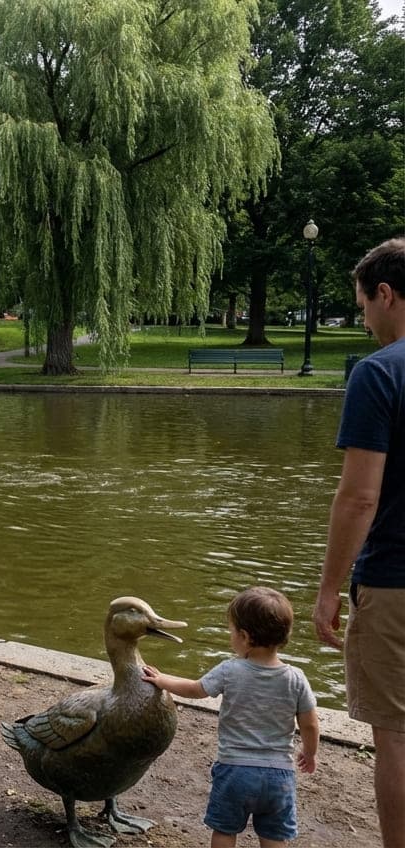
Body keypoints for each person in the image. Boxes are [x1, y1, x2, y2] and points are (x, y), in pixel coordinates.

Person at [313, 236, 405, 848]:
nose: (365, 319)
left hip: (396, 581)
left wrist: (326, 592)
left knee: (396, 733)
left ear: (386, 294)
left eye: (364, 305)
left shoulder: (378, 374)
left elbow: (358, 499)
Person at [143, 587, 319, 848]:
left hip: (235, 771)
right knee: (274, 835)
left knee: (225, 830)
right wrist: (310, 752)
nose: (231, 636)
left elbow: (195, 689)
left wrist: (162, 680)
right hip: (279, 775)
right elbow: (310, 723)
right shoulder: (296, 678)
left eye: (232, 631)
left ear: (245, 637)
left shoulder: (229, 670)